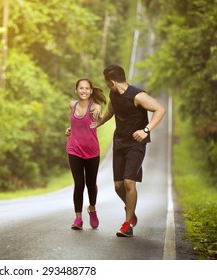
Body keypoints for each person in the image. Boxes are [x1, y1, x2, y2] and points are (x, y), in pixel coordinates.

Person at [91, 64, 166, 237]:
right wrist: (99, 122)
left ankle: (127, 224)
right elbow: (111, 110)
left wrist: (146, 130)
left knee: (128, 183)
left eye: (107, 82)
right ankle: (130, 209)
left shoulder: (138, 95)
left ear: (111, 81)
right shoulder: (114, 93)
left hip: (135, 144)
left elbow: (160, 109)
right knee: (118, 186)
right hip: (119, 142)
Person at [66, 78, 106, 230]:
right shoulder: (72, 104)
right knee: (79, 184)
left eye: (87, 88)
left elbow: (99, 112)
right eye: (81, 88)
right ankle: (78, 219)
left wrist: (98, 112)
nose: (84, 91)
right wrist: (70, 129)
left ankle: (92, 209)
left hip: (92, 151)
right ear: (76, 90)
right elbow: (75, 123)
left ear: (91, 91)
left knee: (91, 184)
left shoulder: (94, 107)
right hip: (74, 149)